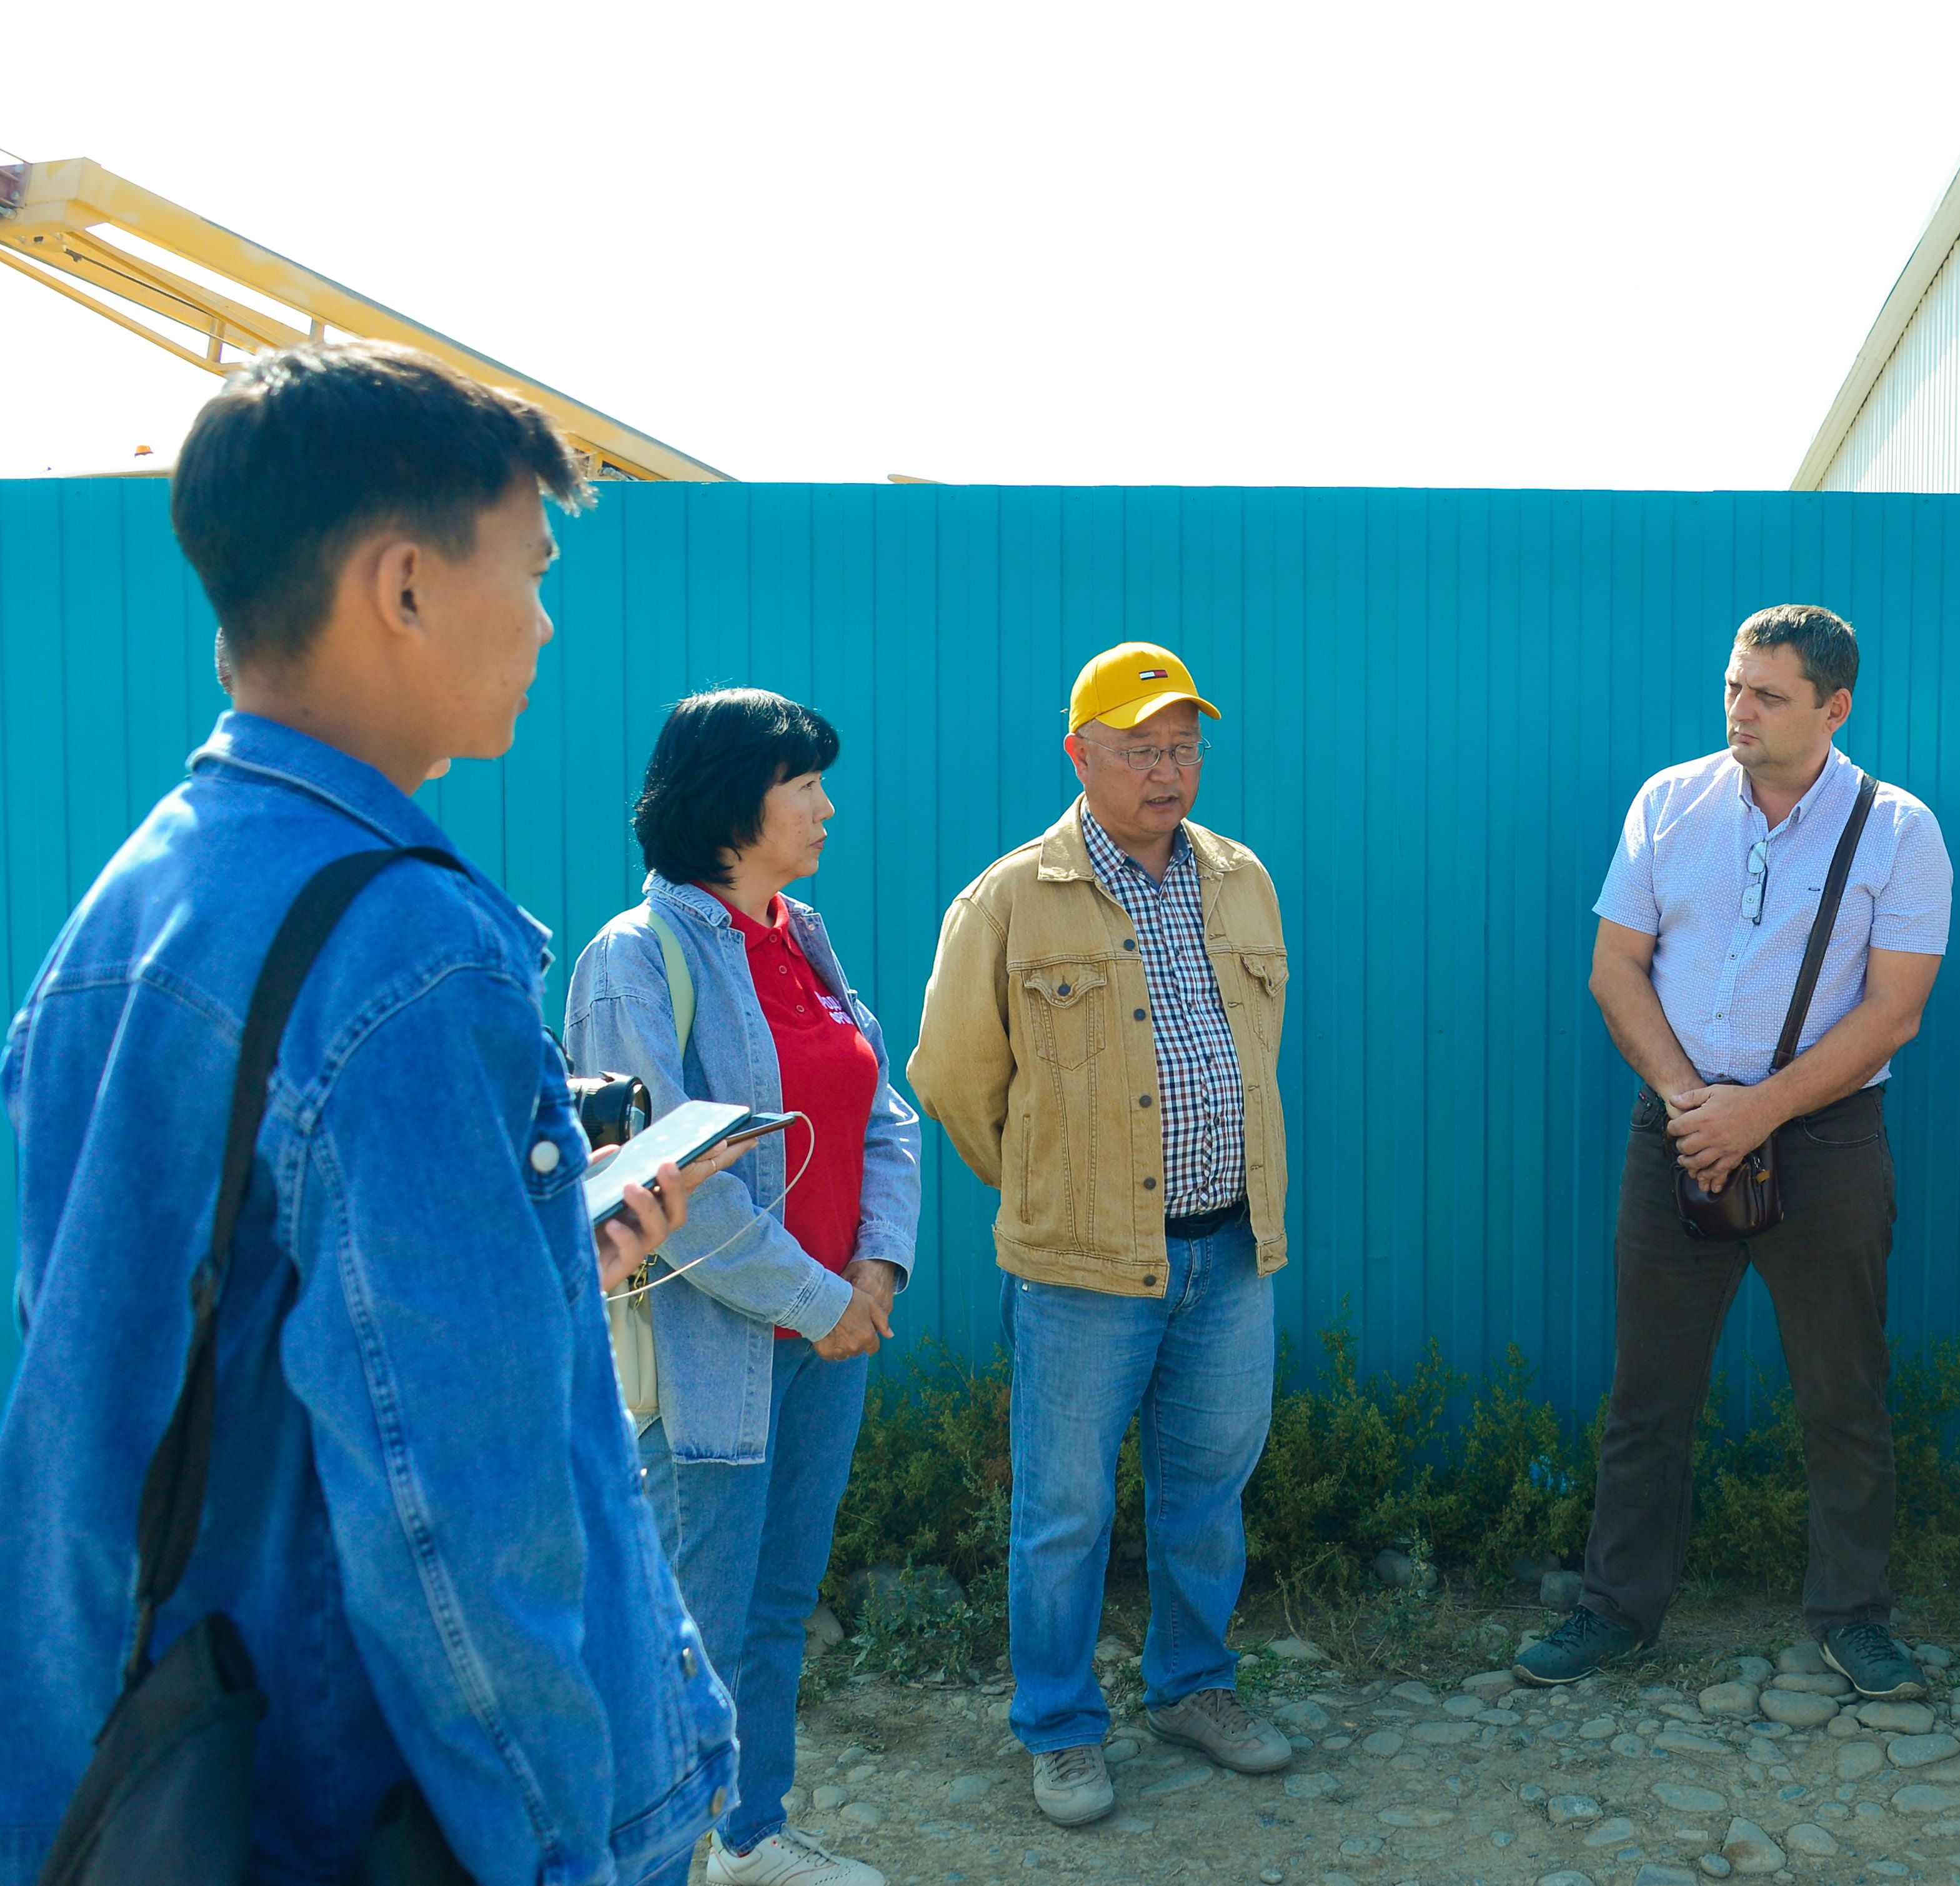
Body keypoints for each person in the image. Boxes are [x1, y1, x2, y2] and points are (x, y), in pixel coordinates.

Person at [0, 342, 735, 1882]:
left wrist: (543, 1250)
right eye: (528, 571)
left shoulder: (136, 903)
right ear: (402, 586)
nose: (545, 621)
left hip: (153, 1772)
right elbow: (457, 1531)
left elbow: (208, 1338)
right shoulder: (404, 956)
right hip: (353, 1805)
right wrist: (563, 1860)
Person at [1514, 604, 1953, 1699]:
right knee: (1649, 1393)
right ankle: (1617, 1609)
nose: (1739, 711)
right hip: (1677, 1135)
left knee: (1843, 1394)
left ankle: (1854, 1619)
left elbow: (1894, 1012)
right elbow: (1616, 968)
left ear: (1835, 706)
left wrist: (1758, 1114)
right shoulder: (1671, 802)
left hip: (1828, 1140)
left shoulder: (1900, 829)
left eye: (1768, 695)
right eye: (1732, 687)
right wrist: (1687, 1103)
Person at [910, 641, 1295, 1827]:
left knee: (1207, 1490)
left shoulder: (1241, 879)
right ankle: (1063, 1726)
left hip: (1230, 1251)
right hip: (1081, 1265)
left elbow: (1258, 1047)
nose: (1166, 768)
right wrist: (1052, 1188)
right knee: (1065, 1508)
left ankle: (1193, 1684)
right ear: (1081, 754)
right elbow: (956, 1078)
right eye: (1139, 748)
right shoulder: (1013, 896)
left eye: (1183, 746)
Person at [567, 688, 924, 1886]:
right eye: (803, 781)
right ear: (730, 801)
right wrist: (828, 1303)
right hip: (726, 1353)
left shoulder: (799, 933)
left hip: (827, 1338)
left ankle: (751, 1837)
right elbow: (661, 1183)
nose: (826, 804)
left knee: (776, 1610)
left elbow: (888, 1113)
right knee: (688, 1632)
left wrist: (874, 1268)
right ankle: (652, 1858)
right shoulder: (637, 954)